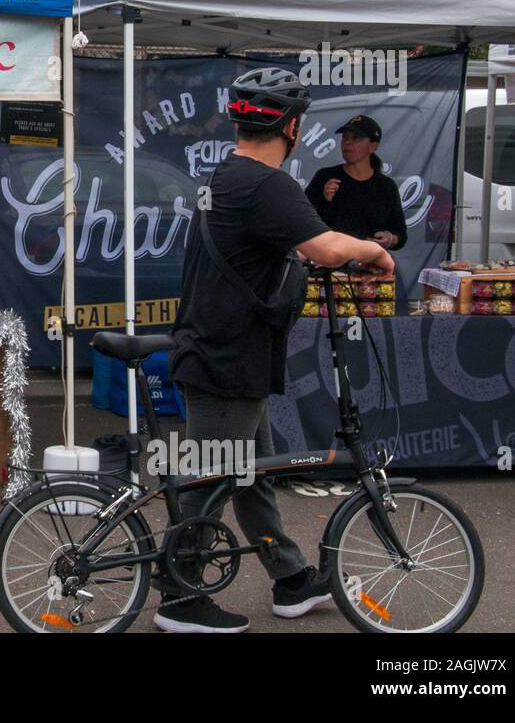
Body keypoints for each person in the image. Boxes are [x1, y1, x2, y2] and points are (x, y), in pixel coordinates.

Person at [162, 68, 394, 633]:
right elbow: (327, 245)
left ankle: (290, 578)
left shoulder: (226, 176)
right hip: (225, 356)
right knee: (212, 479)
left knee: (254, 473)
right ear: (291, 126)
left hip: (227, 349)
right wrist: (375, 253)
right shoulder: (267, 185)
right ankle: (179, 596)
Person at [305, 115, 407, 251]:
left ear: (373, 146)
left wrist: (390, 239)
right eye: (345, 138)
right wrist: (323, 199)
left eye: (356, 138)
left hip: (370, 264)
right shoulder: (325, 176)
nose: (347, 142)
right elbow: (304, 222)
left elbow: (400, 234)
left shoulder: (386, 186)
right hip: (329, 262)